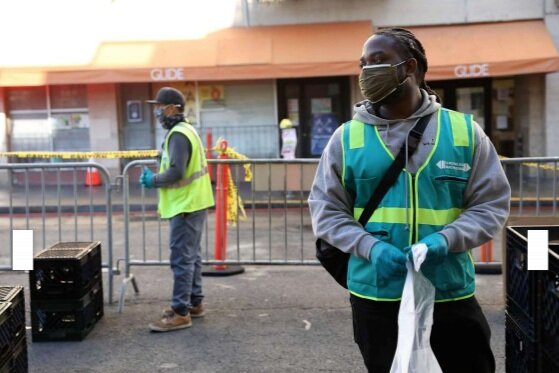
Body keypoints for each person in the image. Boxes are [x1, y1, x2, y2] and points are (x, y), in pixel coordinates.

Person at [308, 28, 510, 373]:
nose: (367, 71)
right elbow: (325, 210)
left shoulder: (464, 132)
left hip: (449, 289)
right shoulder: (347, 138)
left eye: (379, 61)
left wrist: (445, 240)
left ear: (410, 67)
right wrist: (369, 247)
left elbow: (490, 204)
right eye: (363, 63)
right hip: (376, 294)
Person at [142, 87, 215, 332]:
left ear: (172, 108)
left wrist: (154, 180)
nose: (157, 112)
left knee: (182, 259)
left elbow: (176, 171)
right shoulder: (187, 130)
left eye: (160, 107)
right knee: (191, 257)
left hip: (185, 205)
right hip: (194, 202)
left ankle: (181, 312)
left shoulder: (178, 135)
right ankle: (194, 303)